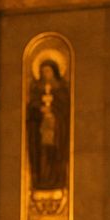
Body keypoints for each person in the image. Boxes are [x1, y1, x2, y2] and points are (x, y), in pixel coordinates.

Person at [26, 58, 70, 191]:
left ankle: (57, 180)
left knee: (54, 154)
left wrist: (54, 111)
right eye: (43, 72)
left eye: (48, 71)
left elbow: (65, 110)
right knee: (42, 155)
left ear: (55, 72)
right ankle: (41, 181)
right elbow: (31, 109)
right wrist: (40, 109)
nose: (46, 75)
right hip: (40, 131)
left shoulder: (62, 90)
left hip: (57, 131)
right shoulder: (36, 90)